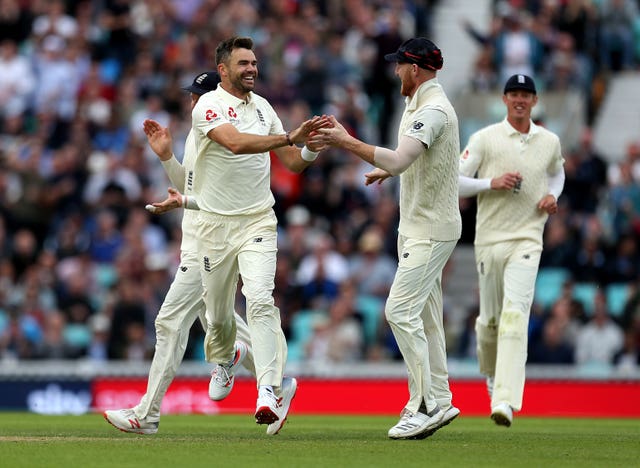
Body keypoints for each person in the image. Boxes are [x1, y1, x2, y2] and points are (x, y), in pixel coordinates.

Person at [146, 36, 329, 435]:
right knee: (217, 319)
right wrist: (169, 165)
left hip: (257, 223)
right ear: (224, 70)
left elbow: (293, 163)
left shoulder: (264, 108)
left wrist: (310, 147)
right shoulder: (209, 108)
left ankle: (268, 392)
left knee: (261, 299)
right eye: (243, 62)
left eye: (255, 62)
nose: (251, 68)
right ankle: (229, 357)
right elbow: (233, 145)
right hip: (213, 229)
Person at [310, 37, 462, 440]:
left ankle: (424, 404)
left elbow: (399, 157)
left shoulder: (431, 110)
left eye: (399, 66)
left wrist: (345, 140)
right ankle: (441, 398)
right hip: (419, 227)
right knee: (427, 320)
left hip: (429, 230)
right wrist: (390, 171)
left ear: (415, 69)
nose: (395, 71)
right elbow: (408, 161)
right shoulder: (420, 105)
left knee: (398, 312)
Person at [104, 71, 256, 435]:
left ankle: (148, 413)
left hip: (210, 245)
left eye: (198, 96)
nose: (192, 101)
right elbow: (186, 186)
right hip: (198, 244)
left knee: (170, 323)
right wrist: (167, 158)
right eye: (191, 95)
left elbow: (219, 202)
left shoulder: (222, 138)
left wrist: (185, 201)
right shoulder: (200, 136)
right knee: (221, 325)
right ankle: (276, 382)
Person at [458, 74, 565, 427]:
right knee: (489, 322)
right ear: (505, 99)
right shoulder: (485, 139)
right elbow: (455, 180)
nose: (520, 100)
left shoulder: (548, 141)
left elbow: (557, 173)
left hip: (528, 239)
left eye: (526, 95)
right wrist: (493, 182)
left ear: (534, 101)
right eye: (514, 94)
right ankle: (491, 375)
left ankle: (504, 399)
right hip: (489, 240)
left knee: (515, 316)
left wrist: (553, 196)